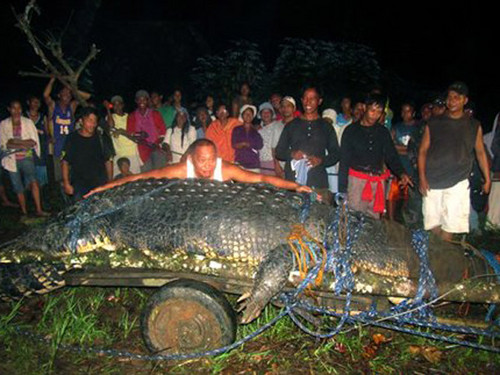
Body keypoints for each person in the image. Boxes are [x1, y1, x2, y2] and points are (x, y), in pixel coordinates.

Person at [87, 139, 313, 198]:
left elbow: (262, 179)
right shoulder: (181, 169)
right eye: (202, 161)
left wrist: (295, 186)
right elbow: (143, 176)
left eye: (211, 160)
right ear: (192, 160)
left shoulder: (224, 169)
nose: (207, 166)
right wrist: (104, 188)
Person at [418, 82, 491, 241]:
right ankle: (438, 255)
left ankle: (444, 258)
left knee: (450, 225)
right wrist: (422, 178)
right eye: (450, 97)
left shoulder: (473, 125)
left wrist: (487, 178)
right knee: (433, 224)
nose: (452, 101)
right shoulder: (435, 122)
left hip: (458, 180)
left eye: (457, 98)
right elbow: (422, 150)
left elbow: (480, 152)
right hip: (433, 180)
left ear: (465, 100)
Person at [339, 95, 412, 219]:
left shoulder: (383, 132)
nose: (375, 115)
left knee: (373, 222)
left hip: (377, 182)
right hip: (357, 182)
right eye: (372, 110)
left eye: (379, 112)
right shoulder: (351, 131)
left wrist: (402, 173)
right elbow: (344, 161)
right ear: (364, 108)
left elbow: (391, 156)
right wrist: (342, 189)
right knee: (353, 220)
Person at [275, 87, 340, 202]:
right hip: (293, 184)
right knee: (291, 218)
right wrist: (292, 154)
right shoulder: (291, 125)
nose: (308, 102)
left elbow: (335, 154)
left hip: (318, 182)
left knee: (317, 218)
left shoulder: (326, 127)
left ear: (319, 101)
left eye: (312, 98)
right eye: (305, 98)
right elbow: (279, 152)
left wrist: (320, 160)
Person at [0, 100, 47, 216]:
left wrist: (15, 142)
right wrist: (22, 144)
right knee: (17, 186)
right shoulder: (4, 124)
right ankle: (24, 211)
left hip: (27, 157)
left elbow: (33, 142)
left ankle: (39, 209)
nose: (17, 111)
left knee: (33, 181)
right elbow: (5, 144)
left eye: (19, 108)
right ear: (9, 109)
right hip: (11, 159)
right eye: (14, 108)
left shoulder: (27, 122)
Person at [43, 77, 90, 183]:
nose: (67, 95)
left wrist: (72, 88)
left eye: (69, 94)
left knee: (72, 174)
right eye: (64, 93)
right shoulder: (54, 106)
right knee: (60, 176)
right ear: (59, 95)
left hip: (70, 145)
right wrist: (52, 80)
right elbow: (46, 95)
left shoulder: (72, 107)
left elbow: (87, 96)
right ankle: (63, 196)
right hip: (57, 145)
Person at [61, 107, 113, 201]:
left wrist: (110, 182)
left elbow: (108, 160)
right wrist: (66, 182)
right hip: (79, 184)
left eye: (95, 121)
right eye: (90, 120)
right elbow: (65, 161)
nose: (93, 124)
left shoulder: (102, 138)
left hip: (99, 183)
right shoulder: (72, 138)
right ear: (81, 121)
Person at [388, 102, 419, 220]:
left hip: (412, 168)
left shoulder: (417, 128)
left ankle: (409, 223)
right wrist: (407, 149)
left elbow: (417, 149)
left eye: (408, 111)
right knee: (392, 195)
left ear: (413, 113)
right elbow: (390, 146)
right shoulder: (396, 127)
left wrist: (399, 148)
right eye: (403, 111)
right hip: (398, 167)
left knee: (410, 198)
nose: (406, 114)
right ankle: (391, 221)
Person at [127, 90, 167, 172]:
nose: (142, 102)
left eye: (144, 99)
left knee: (160, 174)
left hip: (157, 148)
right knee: (147, 177)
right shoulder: (132, 116)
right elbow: (130, 133)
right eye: (139, 100)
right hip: (142, 151)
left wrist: (156, 143)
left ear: (148, 101)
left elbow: (163, 132)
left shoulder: (155, 114)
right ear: (136, 101)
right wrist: (139, 134)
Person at [105, 95, 142, 175]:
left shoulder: (130, 117)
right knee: (119, 181)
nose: (117, 107)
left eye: (119, 104)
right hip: (119, 154)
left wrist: (122, 131)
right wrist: (108, 109)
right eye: (114, 105)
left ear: (123, 105)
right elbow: (111, 126)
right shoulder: (110, 117)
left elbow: (135, 135)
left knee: (135, 178)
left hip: (132, 152)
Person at [26, 95, 49, 188]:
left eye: (38, 102)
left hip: (41, 148)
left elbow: (47, 132)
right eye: (34, 101)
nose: (36, 104)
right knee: (28, 172)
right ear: (28, 102)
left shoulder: (43, 117)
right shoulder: (23, 116)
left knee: (41, 174)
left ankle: (41, 193)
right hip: (27, 148)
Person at [232, 105, 263, 172]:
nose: (248, 115)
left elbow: (260, 145)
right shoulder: (236, 129)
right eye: (246, 113)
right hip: (240, 164)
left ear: (253, 116)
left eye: (250, 114)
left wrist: (246, 144)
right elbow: (234, 144)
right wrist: (244, 144)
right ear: (242, 115)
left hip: (254, 164)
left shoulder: (256, 130)